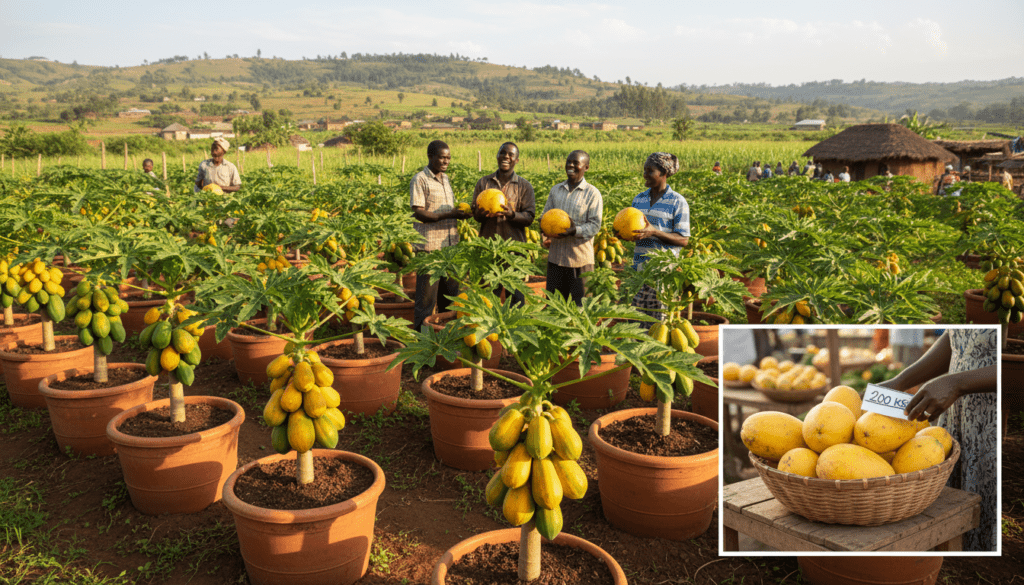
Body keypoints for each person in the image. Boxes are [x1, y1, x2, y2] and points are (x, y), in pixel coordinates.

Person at [879, 328, 997, 552]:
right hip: (953, 412)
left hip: (988, 414)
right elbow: (959, 336)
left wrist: (958, 383)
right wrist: (900, 381)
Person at [410, 140, 471, 330]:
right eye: (442, 157)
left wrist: (462, 213)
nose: (446, 161)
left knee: (449, 299)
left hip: (450, 249)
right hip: (430, 250)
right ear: (430, 156)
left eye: (448, 158)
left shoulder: (445, 179)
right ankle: (422, 342)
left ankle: (446, 339)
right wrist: (451, 214)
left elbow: (447, 209)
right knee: (426, 301)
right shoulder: (420, 179)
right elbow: (419, 213)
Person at [471, 142, 536, 306]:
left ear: (517, 160)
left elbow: (529, 217)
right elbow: (476, 216)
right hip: (488, 250)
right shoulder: (483, 183)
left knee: (515, 300)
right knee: (487, 299)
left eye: (511, 154)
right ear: (497, 156)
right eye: (503, 153)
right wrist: (479, 214)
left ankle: (513, 330)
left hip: (514, 252)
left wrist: (511, 214)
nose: (506, 156)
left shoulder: (524, 186)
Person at [628, 152, 689, 320]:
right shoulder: (638, 199)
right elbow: (632, 227)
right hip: (639, 271)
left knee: (659, 324)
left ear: (663, 173)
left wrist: (654, 231)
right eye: (644, 170)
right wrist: (623, 234)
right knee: (636, 324)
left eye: (650, 171)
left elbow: (683, 239)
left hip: (663, 274)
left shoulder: (678, 202)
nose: (644, 175)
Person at [541, 150, 602, 306]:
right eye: (569, 162)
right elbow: (544, 217)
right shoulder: (556, 190)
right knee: (554, 309)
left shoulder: (592, 194)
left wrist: (575, 231)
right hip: (556, 260)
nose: (571, 165)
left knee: (581, 310)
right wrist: (545, 233)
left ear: (586, 167)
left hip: (580, 262)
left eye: (576, 163)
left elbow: (595, 225)